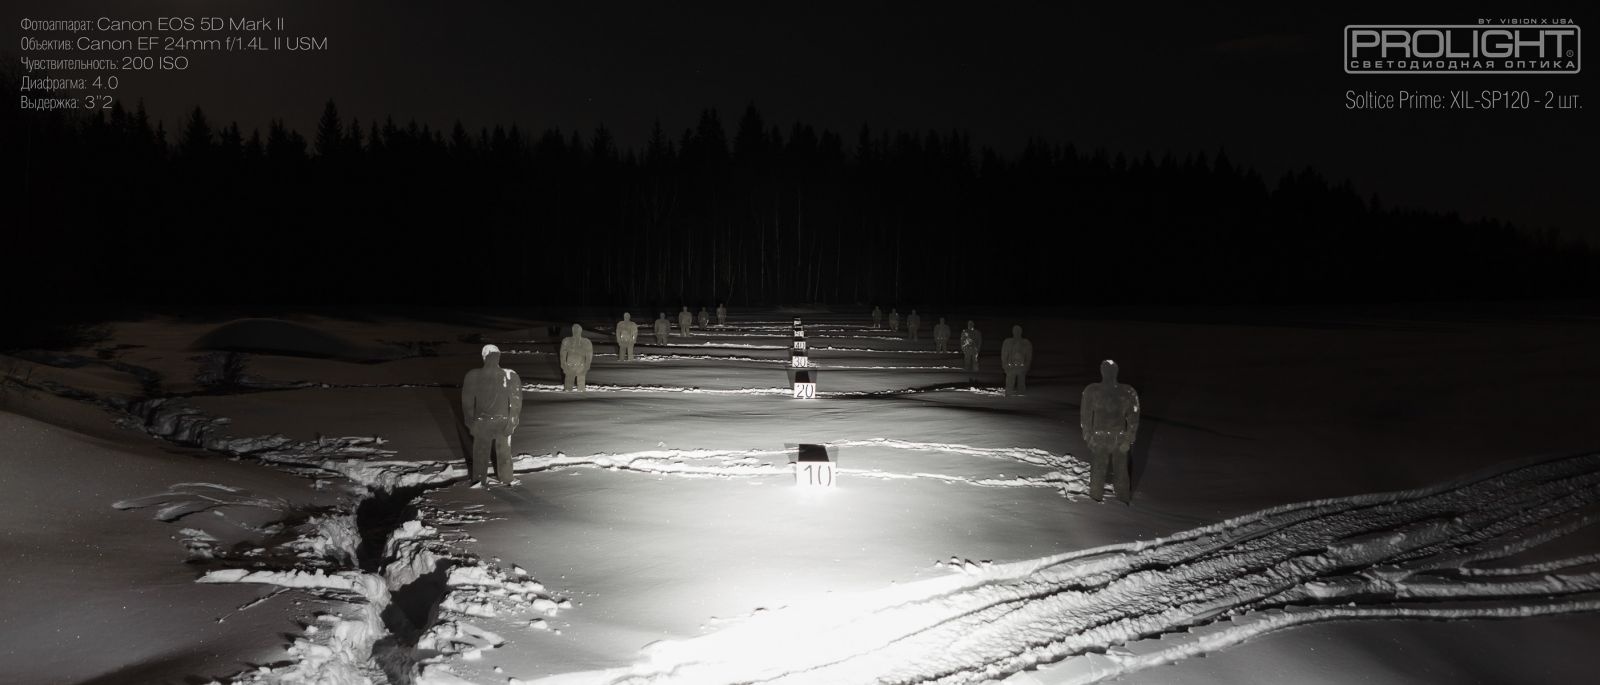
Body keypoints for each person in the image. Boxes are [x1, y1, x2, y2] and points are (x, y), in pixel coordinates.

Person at [1080, 360, 1140, 503]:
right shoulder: (1093, 391)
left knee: (1121, 473)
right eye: (1106, 370)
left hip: (1119, 439)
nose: (1108, 373)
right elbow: (1085, 416)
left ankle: (1122, 502)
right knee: (1098, 471)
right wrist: (1088, 437)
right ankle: (1095, 501)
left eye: (1111, 370)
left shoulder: (1126, 392)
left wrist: (1128, 439)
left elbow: (1133, 417)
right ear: (1102, 371)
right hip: (1100, 438)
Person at [461, 344, 521, 486]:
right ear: (499, 356)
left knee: (480, 453)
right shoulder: (510, 375)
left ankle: (479, 480)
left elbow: (467, 403)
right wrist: (512, 423)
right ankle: (506, 479)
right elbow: (516, 402)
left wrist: (471, 423)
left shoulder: (473, 375)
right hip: (503, 421)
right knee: (504, 452)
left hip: (482, 421)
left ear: (483, 357)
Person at [560, 323, 594, 391]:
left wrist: (587, 366)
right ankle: (569, 393)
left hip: (581, 365)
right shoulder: (567, 341)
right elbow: (562, 354)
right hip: (570, 365)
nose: (576, 332)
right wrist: (563, 365)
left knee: (581, 385)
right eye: (575, 330)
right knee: (568, 386)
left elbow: (589, 355)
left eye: (577, 331)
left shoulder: (586, 342)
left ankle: (580, 394)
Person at [1000, 325, 1033, 396]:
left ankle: (1020, 392)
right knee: (1010, 381)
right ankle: (1010, 392)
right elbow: (1004, 354)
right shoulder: (1008, 342)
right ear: (1013, 332)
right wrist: (1004, 364)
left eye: (1018, 331)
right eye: (1015, 331)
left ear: (1021, 332)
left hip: (1021, 366)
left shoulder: (1025, 343)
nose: (1017, 332)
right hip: (1011, 366)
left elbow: (1028, 355)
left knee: (1021, 382)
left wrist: (1027, 365)